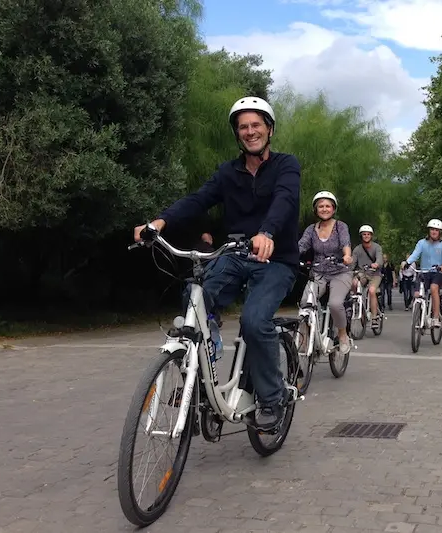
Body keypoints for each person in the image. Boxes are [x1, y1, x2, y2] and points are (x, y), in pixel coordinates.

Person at [133, 96, 299, 431]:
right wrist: (159, 223)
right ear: (237, 134)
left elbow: (285, 200)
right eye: (243, 127)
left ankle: (271, 398)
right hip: (235, 255)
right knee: (195, 299)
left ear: (269, 129)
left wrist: (267, 232)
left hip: (276, 260)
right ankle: (201, 371)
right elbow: (199, 199)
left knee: (254, 321)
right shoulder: (228, 171)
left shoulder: (286, 165)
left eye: (256, 125)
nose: (250, 132)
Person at [297, 191, 353, 354]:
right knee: (305, 304)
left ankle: (342, 335)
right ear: (316, 209)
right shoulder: (311, 229)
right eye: (321, 206)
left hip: (340, 271)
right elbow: (301, 245)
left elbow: (345, 243)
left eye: (328, 206)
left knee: (335, 304)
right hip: (318, 272)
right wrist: (290, 256)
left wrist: (347, 255)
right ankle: (306, 339)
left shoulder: (340, 226)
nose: (324, 209)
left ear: (333, 209)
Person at [401, 219, 442, 327]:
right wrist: (407, 262)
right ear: (429, 230)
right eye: (432, 229)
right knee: (417, 293)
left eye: (436, 230)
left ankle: (436, 318)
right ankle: (419, 315)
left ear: (440, 232)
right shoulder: (421, 243)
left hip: (438, 273)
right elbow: (415, 254)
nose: (434, 232)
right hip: (424, 272)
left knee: (434, 288)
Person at [351, 225, 384, 328]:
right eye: (364, 234)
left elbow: (380, 259)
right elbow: (353, 263)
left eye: (368, 234)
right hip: (362, 273)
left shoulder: (377, 247)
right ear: (361, 236)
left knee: (371, 291)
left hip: (375, 274)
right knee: (354, 283)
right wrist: (347, 268)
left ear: (371, 236)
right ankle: (357, 304)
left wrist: (376, 264)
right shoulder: (357, 249)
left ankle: (374, 318)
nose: (366, 236)